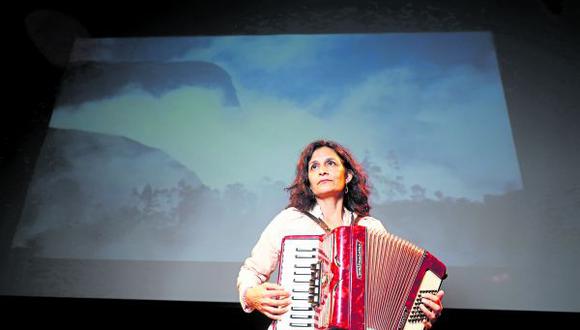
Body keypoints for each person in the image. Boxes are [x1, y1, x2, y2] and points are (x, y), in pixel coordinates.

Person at [237, 140, 444, 329]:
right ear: (308, 182)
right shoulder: (289, 220)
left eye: (330, 163)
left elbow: (392, 300)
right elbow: (251, 271)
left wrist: (420, 317)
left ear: (348, 176)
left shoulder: (369, 228)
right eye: (314, 167)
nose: (322, 170)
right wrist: (251, 294)